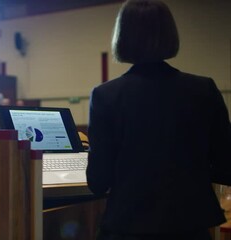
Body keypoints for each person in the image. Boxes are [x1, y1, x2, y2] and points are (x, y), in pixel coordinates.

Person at [86, 1, 231, 239]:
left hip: (127, 226)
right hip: (190, 227)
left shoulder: (105, 95)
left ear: (122, 36)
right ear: (170, 34)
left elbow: (98, 181)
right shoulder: (203, 89)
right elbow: (227, 167)